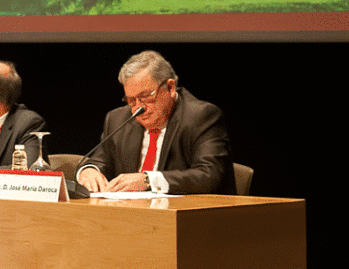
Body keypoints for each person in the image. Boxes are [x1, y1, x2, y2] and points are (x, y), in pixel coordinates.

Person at [76, 50, 236, 195]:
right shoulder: (118, 119)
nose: (139, 108)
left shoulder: (201, 116)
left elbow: (209, 175)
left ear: (170, 88)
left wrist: (148, 180)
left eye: (146, 97)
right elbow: (99, 160)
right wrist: (89, 170)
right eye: (131, 100)